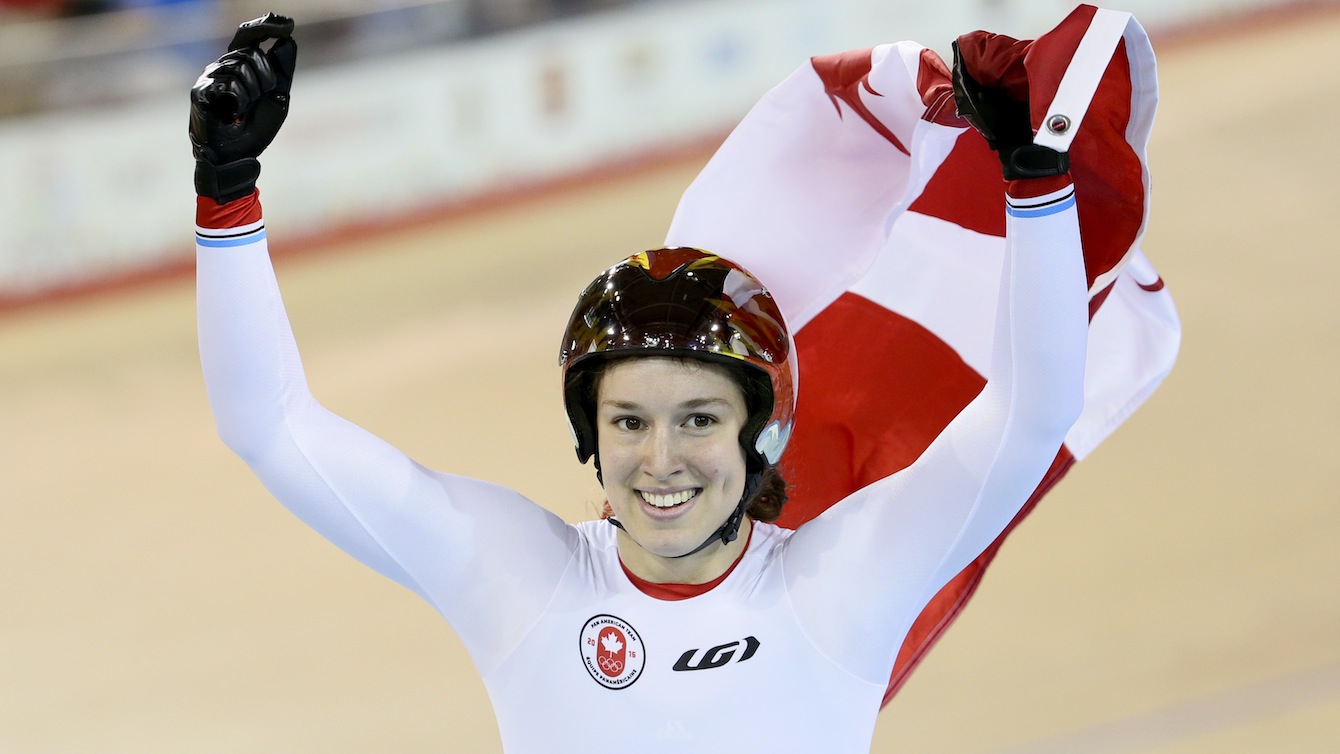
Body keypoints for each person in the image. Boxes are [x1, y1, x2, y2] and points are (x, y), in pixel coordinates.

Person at [193, 13, 1090, 753]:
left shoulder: (846, 579)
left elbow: (1032, 411)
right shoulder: (520, 576)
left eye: (699, 418)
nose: (660, 460)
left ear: (765, 431)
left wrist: (1037, 180)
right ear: (590, 434)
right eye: (628, 421)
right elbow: (269, 427)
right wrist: (226, 191)